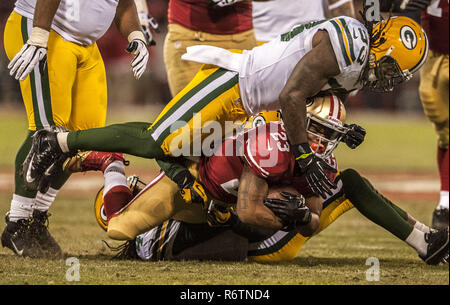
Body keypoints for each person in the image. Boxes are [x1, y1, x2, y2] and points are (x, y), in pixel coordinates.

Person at [21, 14, 429, 214]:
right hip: (235, 82)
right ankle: (56, 141)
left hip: (247, 104)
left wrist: (334, 127)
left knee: (182, 154)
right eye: (392, 68)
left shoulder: (358, 64)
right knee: (158, 140)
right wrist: (304, 152)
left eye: (398, 76)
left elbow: (301, 99)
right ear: (380, 46)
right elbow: (291, 96)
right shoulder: (348, 43)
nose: (391, 79)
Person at [85, 98, 448, 266]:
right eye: (316, 131)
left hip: (255, 226)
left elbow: (314, 217)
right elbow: (244, 213)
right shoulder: (265, 144)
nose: (321, 142)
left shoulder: (311, 154)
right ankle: (111, 164)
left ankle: (424, 241)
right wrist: (287, 215)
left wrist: (303, 217)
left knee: (347, 181)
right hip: (250, 236)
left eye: (328, 133)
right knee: (115, 223)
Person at [1, 0, 150, 259]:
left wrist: (135, 34)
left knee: (79, 140)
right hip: (46, 29)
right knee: (46, 135)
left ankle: (36, 219)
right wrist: (39, 34)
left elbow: (124, 3)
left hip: (85, 45)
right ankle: (18, 222)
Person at [160, 0, 257, 97]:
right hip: (189, 36)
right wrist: (143, 13)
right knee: (195, 110)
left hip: (241, 39)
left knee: (246, 111)